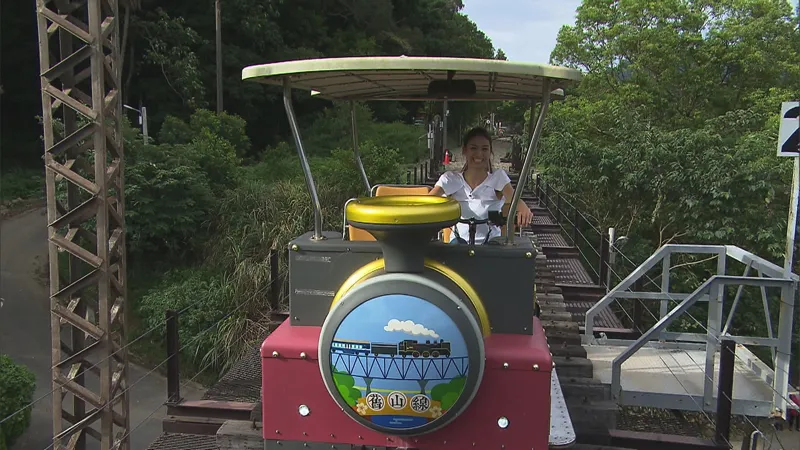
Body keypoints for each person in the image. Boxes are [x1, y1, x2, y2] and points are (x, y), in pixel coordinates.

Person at [429, 126, 534, 244]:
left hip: (490, 244)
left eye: (484, 149)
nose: (479, 154)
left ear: (490, 152)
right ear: (465, 150)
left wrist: (523, 209)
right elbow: (428, 201)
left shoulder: (497, 178)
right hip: (460, 244)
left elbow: (514, 199)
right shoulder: (451, 179)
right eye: (473, 148)